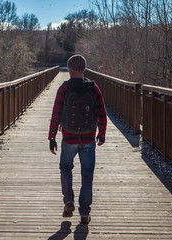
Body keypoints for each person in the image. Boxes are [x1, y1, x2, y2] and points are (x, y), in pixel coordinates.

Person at [48, 54, 107, 224]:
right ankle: (84, 213)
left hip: (69, 138)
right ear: (84, 69)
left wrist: (52, 137)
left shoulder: (64, 89)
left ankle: (69, 201)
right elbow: (102, 115)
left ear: (70, 69)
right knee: (87, 175)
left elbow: (56, 114)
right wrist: (101, 134)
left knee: (66, 168)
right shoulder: (94, 89)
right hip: (88, 138)